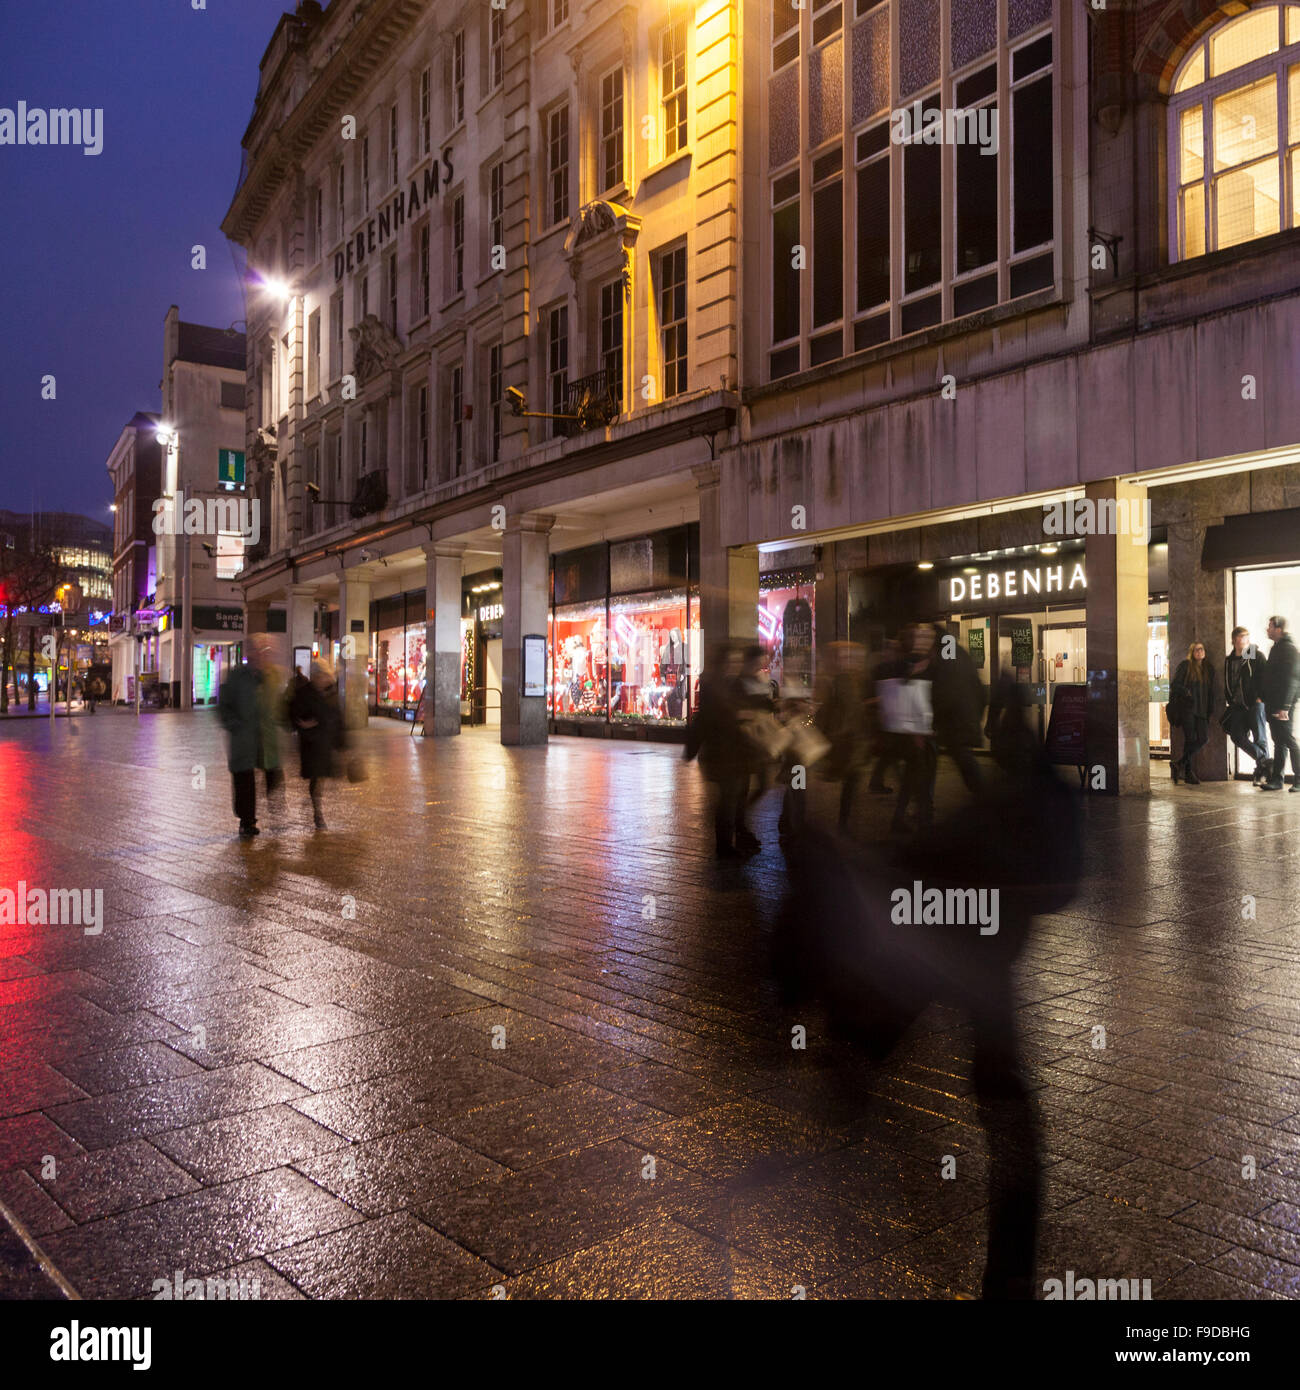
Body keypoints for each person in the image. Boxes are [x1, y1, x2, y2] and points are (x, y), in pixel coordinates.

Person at [685, 643, 752, 858]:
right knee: (728, 798)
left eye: (737, 661)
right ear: (722, 662)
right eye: (731, 661)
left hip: (733, 750)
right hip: (721, 752)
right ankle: (724, 846)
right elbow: (704, 719)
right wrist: (691, 749)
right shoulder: (714, 686)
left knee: (732, 796)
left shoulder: (731, 684)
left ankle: (730, 840)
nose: (735, 665)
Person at [930, 625, 986, 795]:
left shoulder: (947, 654)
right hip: (964, 717)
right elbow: (980, 689)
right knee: (964, 760)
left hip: (955, 720)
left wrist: (935, 718)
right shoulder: (958, 652)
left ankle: (985, 799)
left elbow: (946, 690)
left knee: (964, 761)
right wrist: (977, 714)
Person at [290, 660, 342, 829]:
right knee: (316, 778)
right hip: (312, 744)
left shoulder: (330, 693)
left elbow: (337, 717)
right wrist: (305, 725)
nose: (323, 678)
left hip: (325, 743)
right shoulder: (304, 693)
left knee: (320, 777)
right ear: (314, 676)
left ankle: (316, 808)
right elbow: (293, 715)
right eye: (320, 675)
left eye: (325, 675)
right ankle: (317, 812)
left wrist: (341, 741)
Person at [1221, 627, 1269, 784]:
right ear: (1234, 640)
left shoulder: (1256, 656)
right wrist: (1230, 698)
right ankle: (1265, 761)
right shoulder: (1229, 660)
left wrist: (1260, 698)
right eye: (1243, 637)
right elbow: (1228, 682)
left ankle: (1262, 774)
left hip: (1255, 704)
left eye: (1248, 637)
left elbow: (1265, 678)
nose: (1246, 640)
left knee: (1259, 738)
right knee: (1237, 736)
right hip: (1237, 706)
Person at [1259, 615, 1300, 792]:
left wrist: (1285, 707)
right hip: (1275, 704)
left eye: (1270, 627)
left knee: (1288, 741)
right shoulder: (1276, 648)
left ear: (1279, 629)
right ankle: (1277, 779)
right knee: (1279, 741)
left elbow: (1292, 680)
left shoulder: (1288, 649)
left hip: (1283, 706)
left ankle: (1298, 780)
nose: (1267, 629)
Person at [1169, 640, 1215, 785]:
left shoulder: (1208, 669)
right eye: (1196, 650)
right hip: (1188, 709)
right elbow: (1174, 684)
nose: (1199, 652)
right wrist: (1187, 692)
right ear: (1191, 653)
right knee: (1190, 740)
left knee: (1203, 738)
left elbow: (1210, 692)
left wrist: (1209, 711)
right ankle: (1188, 773)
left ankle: (1179, 763)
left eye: (1201, 649)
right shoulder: (1186, 666)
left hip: (1202, 711)